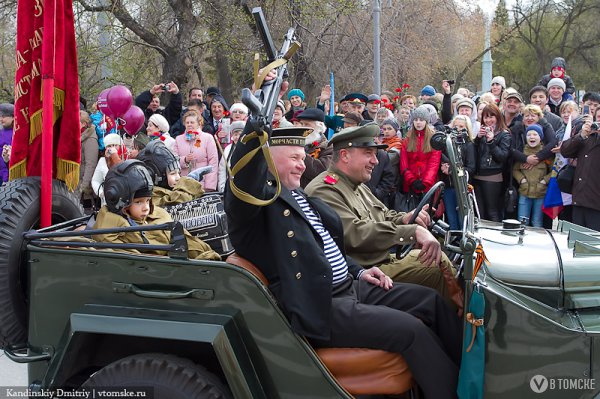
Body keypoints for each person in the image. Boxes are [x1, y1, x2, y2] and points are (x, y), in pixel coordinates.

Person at [225, 125, 462, 399]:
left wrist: (360, 272)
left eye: (303, 158)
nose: (302, 165)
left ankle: (472, 375)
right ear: (266, 159)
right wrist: (252, 136)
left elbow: (326, 248)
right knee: (411, 330)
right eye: (294, 158)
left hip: (350, 287)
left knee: (429, 301)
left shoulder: (298, 195)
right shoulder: (255, 206)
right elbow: (242, 182)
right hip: (320, 305)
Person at [305, 122, 460, 309]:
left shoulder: (356, 184)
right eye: (368, 153)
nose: (376, 161)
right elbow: (355, 233)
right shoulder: (325, 189)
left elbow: (384, 214)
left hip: (382, 259)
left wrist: (405, 218)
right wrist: (412, 231)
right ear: (345, 155)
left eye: (374, 154)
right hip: (364, 270)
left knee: (440, 250)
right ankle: (462, 326)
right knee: (438, 265)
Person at [93, 159, 220, 260]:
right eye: (138, 202)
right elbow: (139, 263)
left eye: (148, 200)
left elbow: (185, 240)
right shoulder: (111, 231)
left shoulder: (157, 214)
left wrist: (208, 257)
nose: (146, 207)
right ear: (121, 205)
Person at [137, 140, 209, 207]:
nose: (178, 178)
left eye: (179, 173)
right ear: (154, 176)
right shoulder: (150, 197)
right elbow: (178, 202)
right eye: (172, 173)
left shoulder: (170, 189)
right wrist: (188, 183)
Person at [560, 116, 600, 231]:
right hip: (580, 199)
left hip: (596, 202)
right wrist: (582, 134)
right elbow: (565, 151)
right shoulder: (587, 137)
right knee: (577, 241)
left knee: (594, 245)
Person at [473, 103, 512, 222]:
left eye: (491, 116)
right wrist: (478, 139)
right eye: (486, 117)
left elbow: (502, 156)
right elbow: (474, 153)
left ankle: (494, 237)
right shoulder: (482, 132)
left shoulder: (504, 134)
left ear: (497, 117)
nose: (488, 120)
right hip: (477, 175)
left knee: (492, 211)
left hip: (493, 177)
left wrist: (491, 141)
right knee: (479, 212)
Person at [399, 106, 442, 202]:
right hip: (410, 184)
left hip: (428, 185)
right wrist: (411, 180)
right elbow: (404, 163)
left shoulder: (433, 139)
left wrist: (426, 182)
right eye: (416, 120)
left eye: (421, 120)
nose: (418, 122)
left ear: (426, 122)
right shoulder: (407, 139)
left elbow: (434, 163)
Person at [441, 115, 476, 230]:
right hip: (448, 186)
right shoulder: (447, 144)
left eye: (461, 126)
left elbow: (470, 168)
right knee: (451, 216)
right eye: (455, 126)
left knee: (463, 216)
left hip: (462, 187)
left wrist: (453, 171)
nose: (458, 129)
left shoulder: (469, 145)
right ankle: (453, 240)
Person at [513, 124, 551, 227]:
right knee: (522, 222)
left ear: (540, 137)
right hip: (525, 192)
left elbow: (554, 170)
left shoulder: (546, 153)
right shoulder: (522, 152)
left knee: (537, 222)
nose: (532, 137)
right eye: (529, 134)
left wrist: (544, 181)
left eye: (535, 134)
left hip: (540, 193)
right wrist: (522, 180)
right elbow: (515, 169)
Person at [173, 111, 218, 190]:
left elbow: (213, 162)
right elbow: (174, 161)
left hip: (202, 184)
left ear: (199, 123)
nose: (189, 124)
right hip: (184, 184)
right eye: (187, 122)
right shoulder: (178, 139)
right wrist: (185, 160)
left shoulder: (208, 138)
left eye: (192, 122)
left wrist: (209, 186)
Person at [75, 111, 99, 209]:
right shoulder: (77, 136)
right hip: (76, 181)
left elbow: (91, 165)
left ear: (84, 124)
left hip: (82, 186)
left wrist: (83, 187)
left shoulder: (90, 140)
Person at [218, 121, 244, 192]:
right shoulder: (227, 149)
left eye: (240, 134)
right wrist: (222, 186)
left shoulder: (249, 148)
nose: (238, 137)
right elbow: (222, 169)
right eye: (235, 134)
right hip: (230, 187)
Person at [0, 103, 14, 185]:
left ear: (13, 116)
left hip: (10, 177)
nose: (1, 119)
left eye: (3, 116)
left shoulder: (18, 134)